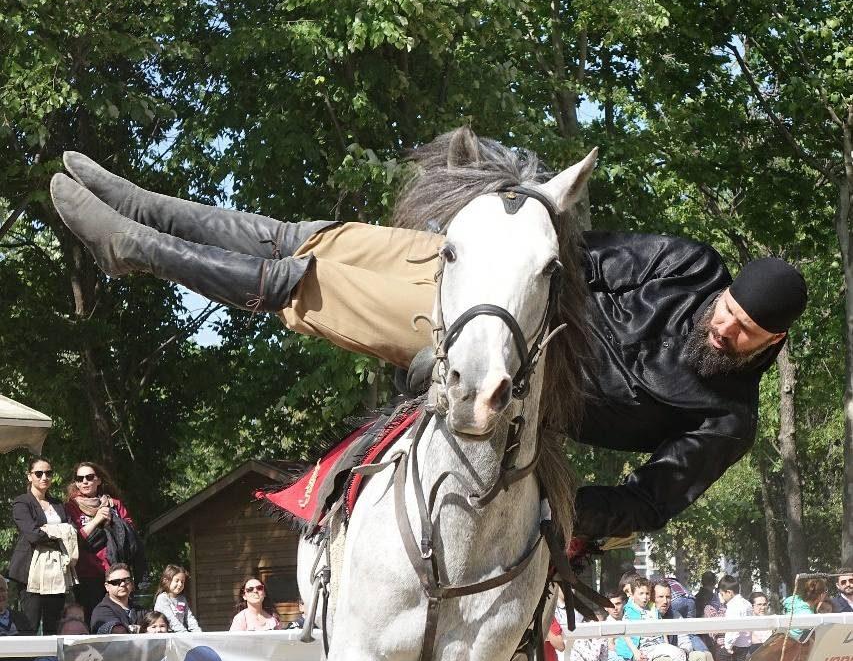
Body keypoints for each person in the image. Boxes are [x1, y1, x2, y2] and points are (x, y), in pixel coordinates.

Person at [51, 130, 808, 543]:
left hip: (505, 364)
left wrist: (567, 519)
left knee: (301, 284)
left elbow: (652, 496)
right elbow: (580, 259)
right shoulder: (692, 266)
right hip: (505, 288)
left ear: (768, 345)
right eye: (725, 310)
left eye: (743, 332)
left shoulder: (725, 420)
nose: (724, 327)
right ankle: (142, 203)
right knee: (310, 237)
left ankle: (134, 248)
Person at [65, 461, 146, 622]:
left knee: (120, 621)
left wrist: (114, 522)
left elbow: (131, 535)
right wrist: (96, 520)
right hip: (87, 574)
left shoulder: (115, 505)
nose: (85, 482)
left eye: (89, 477)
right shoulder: (70, 507)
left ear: (99, 480)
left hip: (116, 573)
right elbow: (73, 541)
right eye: (80, 479)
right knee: (92, 621)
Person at [9, 458, 73, 635]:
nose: (44, 477)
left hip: (57, 571)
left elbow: (71, 530)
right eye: (39, 473)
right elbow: (32, 534)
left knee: (54, 626)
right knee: (30, 625)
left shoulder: (58, 504)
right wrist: (58, 533)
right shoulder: (22, 502)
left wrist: (50, 531)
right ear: (30, 476)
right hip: (31, 571)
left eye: (48, 473)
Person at [615, 577, 698, 661]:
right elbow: (626, 635)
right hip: (643, 649)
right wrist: (635, 652)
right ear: (632, 595)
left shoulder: (653, 608)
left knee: (678, 653)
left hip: (657, 645)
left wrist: (666, 644)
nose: (645, 597)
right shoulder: (629, 611)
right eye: (641, 594)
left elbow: (661, 627)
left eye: (647, 593)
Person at [652, 581, 716, 661]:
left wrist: (684, 650)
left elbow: (685, 641)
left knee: (699, 657)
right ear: (653, 598)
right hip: (656, 660)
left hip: (678, 656)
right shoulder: (647, 616)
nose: (665, 601)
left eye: (668, 597)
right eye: (660, 597)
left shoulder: (676, 615)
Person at [90, 563, 144, 634]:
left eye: (126, 580)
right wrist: (145, 630)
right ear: (107, 586)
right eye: (116, 582)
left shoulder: (140, 610)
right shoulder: (101, 610)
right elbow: (119, 631)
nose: (122, 584)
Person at [603, 590, 634, 661]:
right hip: (608, 656)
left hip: (623, 654)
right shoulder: (608, 623)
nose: (615, 608)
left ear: (624, 604)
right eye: (611, 605)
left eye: (618, 604)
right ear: (605, 607)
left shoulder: (628, 619)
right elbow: (610, 646)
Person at [153, 564, 201, 633]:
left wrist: (198, 633)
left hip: (179, 634)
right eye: (177, 581)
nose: (180, 584)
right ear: (166, 580)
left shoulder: (182, 599)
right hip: (165, 635)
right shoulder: (162, 598)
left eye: (182, 582)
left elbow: (189, 618)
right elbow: (171, 620)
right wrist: (185, 635)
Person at [717, 576, 753, 661]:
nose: (722, 597)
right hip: (747, 644)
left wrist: (728, 646)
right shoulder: (746, 603)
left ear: (729, 592)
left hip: (737, 646)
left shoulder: (734, 607)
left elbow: (733, 629)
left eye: (722, 594)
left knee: (718, 655)